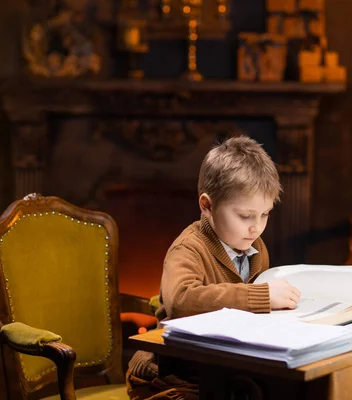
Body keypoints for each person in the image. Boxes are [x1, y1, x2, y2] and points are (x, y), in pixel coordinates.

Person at [127, 136, 301, 399]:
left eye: (265, 214)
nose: (256, 227)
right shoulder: (188, 248)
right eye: (245, 216)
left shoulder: (256, 247)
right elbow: (182, 301)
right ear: (207, 205)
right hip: (171, 373)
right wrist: (261, 297)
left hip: (226, 368)